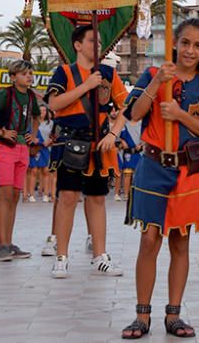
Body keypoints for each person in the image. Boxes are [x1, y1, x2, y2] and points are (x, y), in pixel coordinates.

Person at [121, 18, 199, 339]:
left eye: (197, 45)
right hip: (153, 165)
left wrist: (180, 115)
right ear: (175, 43)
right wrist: (156, 85)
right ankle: (142, 316)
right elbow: (134, 113)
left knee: (180, 242)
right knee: (149, 240)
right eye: (185, 43)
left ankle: (174, 314)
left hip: (188, 169)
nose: (190, 50)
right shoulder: (154, 74)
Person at [45, 24, 129, 278]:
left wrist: (114, 133)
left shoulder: (109, 73)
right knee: (68, 197)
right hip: (71, 142)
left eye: (100, 42)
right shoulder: (64, 72)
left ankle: (100, 256)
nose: (98, 46)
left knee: (97, 199)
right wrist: (86, 85)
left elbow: (127, 106)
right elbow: (54, 103)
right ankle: (61, 256)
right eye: (92, 41)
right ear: (78, 45)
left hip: (99, 144)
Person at [0, 59, 41, 262]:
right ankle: (2, 244)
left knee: (15, 196)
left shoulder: (31, 96)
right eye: (24, 74)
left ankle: (9, 242)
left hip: (23, 148)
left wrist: (33, 134)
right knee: (5, 195)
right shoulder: (6, 94)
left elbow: (36, 117)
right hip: (6, 147)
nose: (29, 77)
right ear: (13, 77)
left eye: (30, 73)